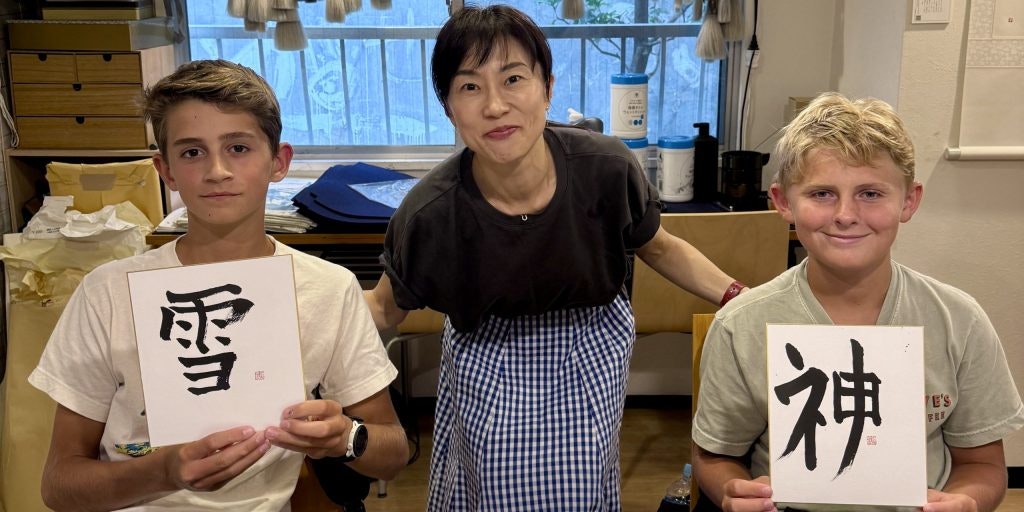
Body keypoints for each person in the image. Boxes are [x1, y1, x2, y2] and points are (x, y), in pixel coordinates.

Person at [361, 5, 747, 510]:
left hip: (591, 344)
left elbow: (659, 245)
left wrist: (740, 298)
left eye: (513, 78)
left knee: (583, 491)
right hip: (486, 356)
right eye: (470, 87)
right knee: (489, 491)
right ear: (448, 107)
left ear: (547, 87)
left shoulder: (606, 168)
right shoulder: (430, 213)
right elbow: (385, 309)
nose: (496, 106)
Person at [28, 59, 409, 511]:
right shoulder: (108, 292)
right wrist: (164, 471)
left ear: (279, 161)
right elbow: (59, 484)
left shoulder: (327, 288)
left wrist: (344, 437)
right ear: (165, 170)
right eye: (192, 152)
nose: (216, 171)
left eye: (238, 148)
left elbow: (392, 454)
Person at [691, 92, 1024, 512]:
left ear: (909, 201)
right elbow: (715, 455)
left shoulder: (959, 321)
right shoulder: (741, 326)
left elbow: (984, 465)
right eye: (822, 194)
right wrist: (729, 491)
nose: (846, 214)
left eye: (870, 193)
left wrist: (966, 502)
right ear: (783, 202)